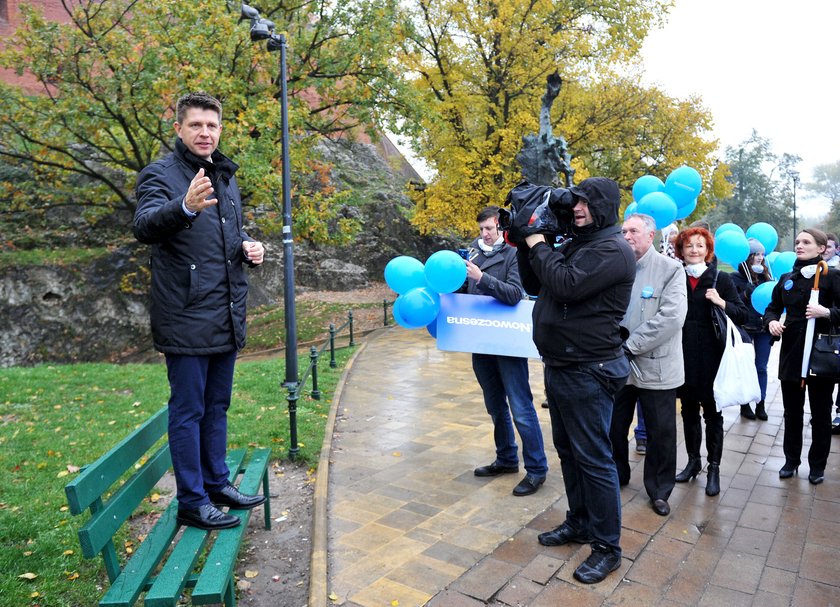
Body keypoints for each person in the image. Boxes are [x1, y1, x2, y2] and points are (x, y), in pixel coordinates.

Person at [134, 92, 267, 530]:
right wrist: (186, 206)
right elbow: (145, 226)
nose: (204, 133)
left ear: (220, 129)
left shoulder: (224, 176)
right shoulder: (160, 174)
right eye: (195, 125)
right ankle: (192, 500)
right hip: (186, 316)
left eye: (211, 125)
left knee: (217, 406)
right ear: (179, 129)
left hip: (225, 314)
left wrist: (247, 247)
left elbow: (226, 235)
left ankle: (216, 483)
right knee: (188, 411)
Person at [518, 177, 634, 585]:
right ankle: (580, 523)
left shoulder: (612, 249)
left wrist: (536, 241)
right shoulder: (578, 242)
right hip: (563, 365)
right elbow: (535, 282)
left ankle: (607, 547)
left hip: (589, 368)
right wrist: (525, 237)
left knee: (595, 459)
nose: (578, 208)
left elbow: (565, 286)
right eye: (575, 201)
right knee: (569, 452)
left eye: (586, 202)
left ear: (604, 207)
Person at [466, 207, 549, 496]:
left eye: (490, 228)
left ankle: (537, 469)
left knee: (521, 407)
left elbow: (515, 293)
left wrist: (481, 278)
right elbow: (463, 292)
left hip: (507, 343)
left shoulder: (514, 254)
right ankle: (506, 458)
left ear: (501, 228)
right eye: (481, 230)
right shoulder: (471, 254)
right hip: (480, 340)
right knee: (494, 405)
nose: (485, 234)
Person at [610, 213, 687, 516]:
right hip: (617, 365)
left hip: (657, 367)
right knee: (613, 426)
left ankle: (659, 490)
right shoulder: (616, 268)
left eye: (633, 231)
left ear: (650, 235)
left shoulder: (670, 270)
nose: (626, 236)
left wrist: (630, 346)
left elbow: (670, 318)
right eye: (623, 231)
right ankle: (617, 474)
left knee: (661, 432)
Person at [673, 227, 747, 497]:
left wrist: (721, 302)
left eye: (700, 246)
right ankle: (693, 462)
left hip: (713, 358)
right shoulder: (676, 276)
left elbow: (742, 315)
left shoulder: (721, 279)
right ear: (681, 250)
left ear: (708, 250)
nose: (694, 250)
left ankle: (713, 468)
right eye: (689, 246)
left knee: (713, 414)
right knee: (688, 411)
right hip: (682, 356)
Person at [764, 228, 840, 485]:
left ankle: (817, 466)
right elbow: (772, 308)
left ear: (821, 248)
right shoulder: (788, 277)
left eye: (806, 242)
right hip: (792, 353)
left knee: (820, 413)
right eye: (797, 241)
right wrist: (772, 322)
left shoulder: (832, 278)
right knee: (792, 411)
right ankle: (791, 460)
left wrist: (826, 312)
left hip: (820, 355)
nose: (799, 245)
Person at [730, 238, 774, 421]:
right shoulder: (735, 277)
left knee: (761, 367)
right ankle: (745, 404)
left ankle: (761, 403)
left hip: (763, 327)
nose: (760, 258)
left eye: (762, 255)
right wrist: (746, 293)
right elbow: (733, 303)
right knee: (745, 366)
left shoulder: (767, 276)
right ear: (747, 257)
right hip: (745, 327)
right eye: (756, 254)